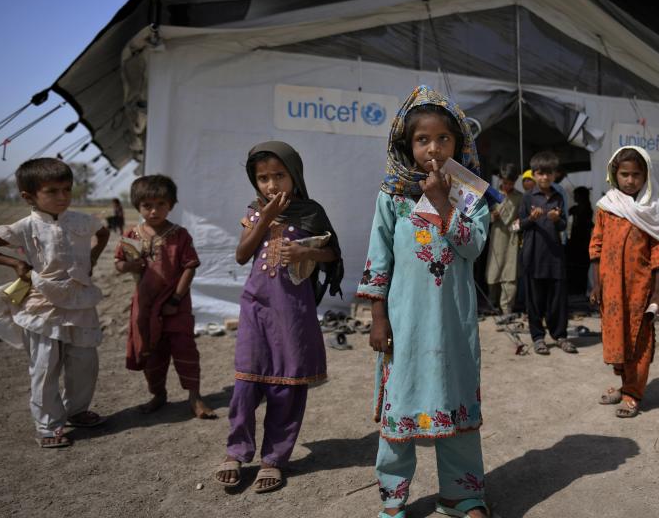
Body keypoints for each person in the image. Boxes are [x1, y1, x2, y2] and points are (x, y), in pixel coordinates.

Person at [358, 85, 491, 518]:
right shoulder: (392, 194)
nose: (433, 147)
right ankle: (393, 501)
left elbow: (473, 246)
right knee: (402, 404)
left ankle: (461, 494)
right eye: (422, 139)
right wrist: (378, 317)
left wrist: (441, 200)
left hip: (453, 321)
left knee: (456, 400)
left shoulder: (469, 189)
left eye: (443, 139)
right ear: (406, 144)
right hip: (405, 323)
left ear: (459, 142)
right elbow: (378, 259)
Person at [214, 141, 343, 493]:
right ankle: (237, 451)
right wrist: (266, 219)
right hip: (256, 306)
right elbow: (242, 254)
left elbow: (333, 253)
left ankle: (274, 459)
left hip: (294, 310)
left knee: (287, 383)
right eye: (263, 178)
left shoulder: (310, 211)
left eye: (279, 176)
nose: (271, 185)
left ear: (294, 175)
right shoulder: (255, 211)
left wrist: (305, 250)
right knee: (245, 382)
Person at [0, 158, 109, 448]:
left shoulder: (82, 220)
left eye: (67, 190)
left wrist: (93, 259)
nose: (62, 197)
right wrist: (15, 264)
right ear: (29, 196)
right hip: (41, 304)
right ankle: (48, 426)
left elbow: (103, 231)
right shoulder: (24, 227)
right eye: (52, 191)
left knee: (84, 361)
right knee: (45, 365)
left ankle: (78, 411)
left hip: (81, 301)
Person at [114, 175, 215, 419]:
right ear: (138, 206)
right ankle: (158, 394)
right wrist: (129, 266)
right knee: (150, 351)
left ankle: (195, 396)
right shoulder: (133, 235)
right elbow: (119, 263)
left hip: (175, 305)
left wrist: (175, 300)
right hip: (146, 306)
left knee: (185, 349)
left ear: (171, 204)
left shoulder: (180, 235)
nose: (154, 210)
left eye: (161, 204)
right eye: (147, 205)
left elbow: (190, 267)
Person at [589, 147, 659, 417]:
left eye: (637, 175)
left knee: (639, 339)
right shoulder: (606, 207)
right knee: (617, 337)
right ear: (614, 174)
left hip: (640, 289)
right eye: (624, 174)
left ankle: (633, 393)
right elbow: (596, 247)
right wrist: (597, 284)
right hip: (611, 288)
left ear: (646, 175)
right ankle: (624, 384)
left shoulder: (652, 210)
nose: (630, 180)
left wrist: (658, 293)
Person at [518, 151, 575, 355]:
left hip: (554, 256)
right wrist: (532, 218)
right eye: (540, 173)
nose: (544, 177)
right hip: (533, 255)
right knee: (534, 299)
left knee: (557, 299)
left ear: (555, 175)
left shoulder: (559, 197)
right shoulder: (527, 198)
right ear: (533, 174)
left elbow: (562, 226)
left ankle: (560, 335)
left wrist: (555, 219)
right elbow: (520, 225)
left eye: (548, 173)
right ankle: (538, 337)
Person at [485, 163, 522, 316]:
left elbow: (522, 219)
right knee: (493, 272)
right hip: (496, 238)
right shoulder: (492, 194)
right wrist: (491, 217)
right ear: (500, 179)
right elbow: (481, 217)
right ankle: (492, 305)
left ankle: (507, 308)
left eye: (511, 183)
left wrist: (515, 226)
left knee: (510, 274)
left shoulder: (519, 197)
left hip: (512, 239)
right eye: (505, 182)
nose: (507, 186)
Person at [566, 186, 594, 295]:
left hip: (582, 241)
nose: (574, 197)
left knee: (580, 267)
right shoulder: (577, 209)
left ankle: (580, 290)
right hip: (576, 240)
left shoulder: (586, 209)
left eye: (576, 195)